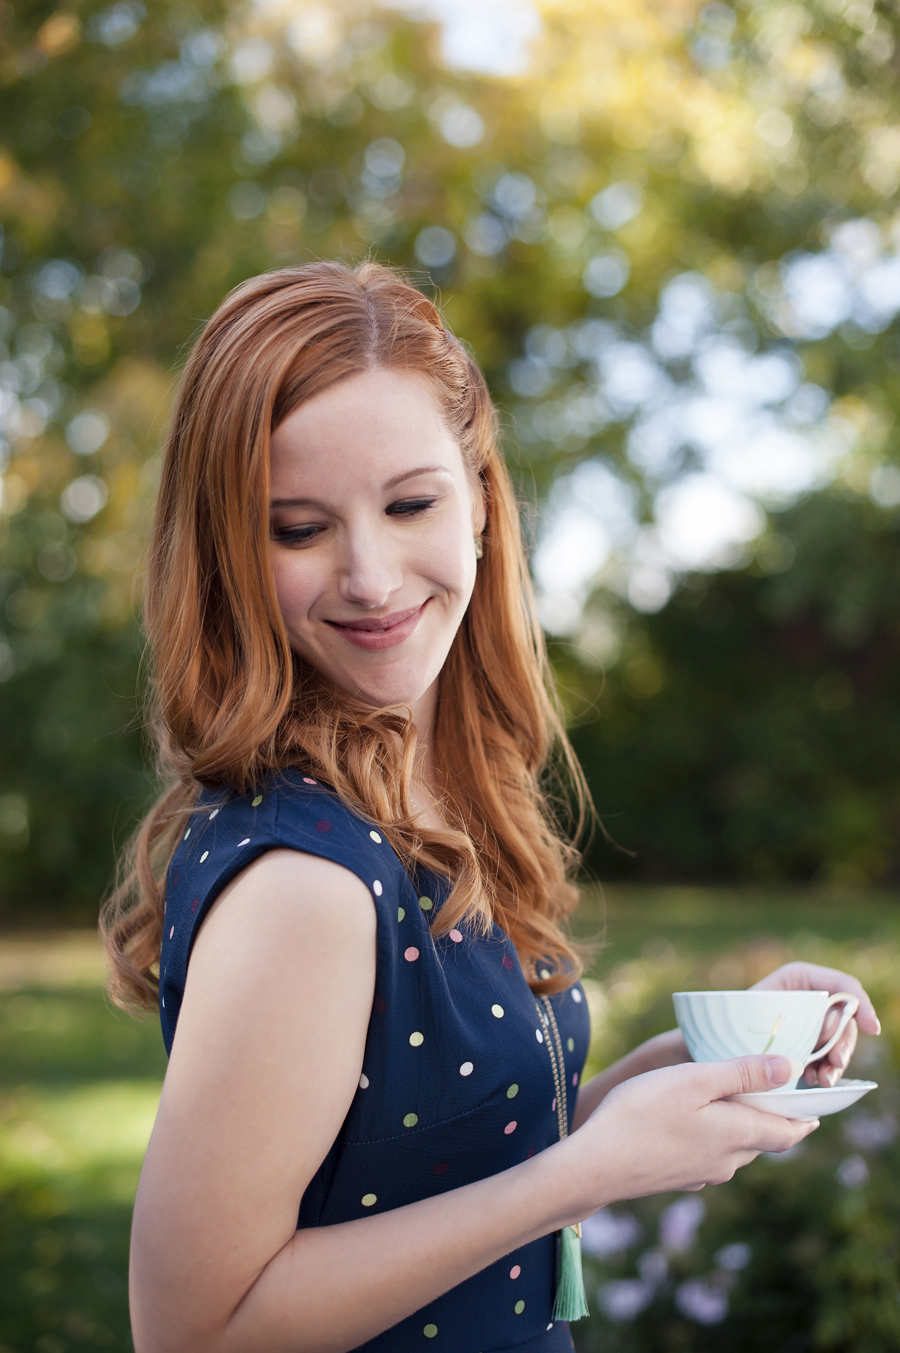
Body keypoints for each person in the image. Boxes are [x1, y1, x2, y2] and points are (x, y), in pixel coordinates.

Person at [102, 260, 879, 1353]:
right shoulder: (307, 886)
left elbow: (440, 1162)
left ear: (479, 504)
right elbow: (192, 1333)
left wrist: (693, 1070)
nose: (369, 575)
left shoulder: (419, 801)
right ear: (231, 552)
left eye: (410, 502)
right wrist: (580, 1177)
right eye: (297, 528)